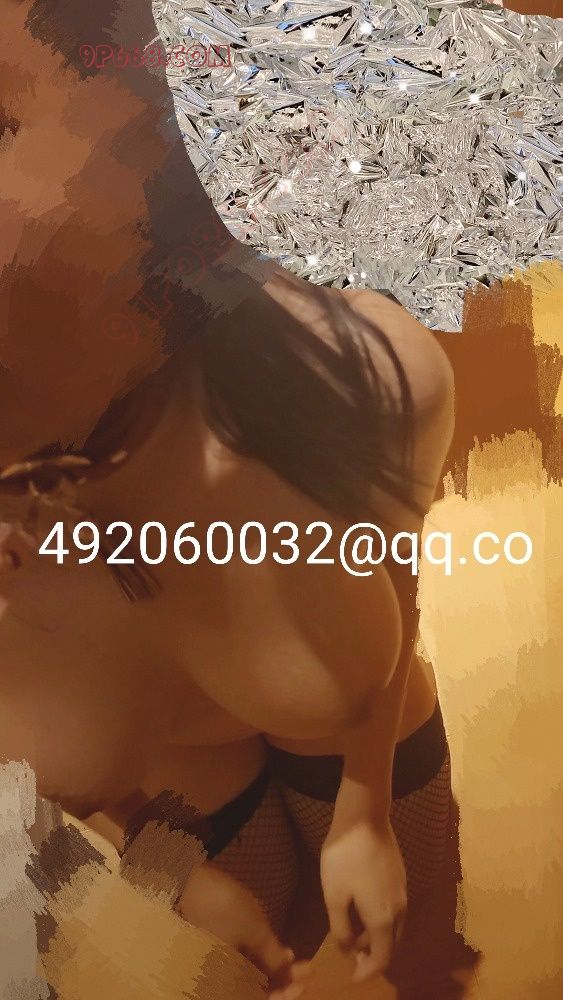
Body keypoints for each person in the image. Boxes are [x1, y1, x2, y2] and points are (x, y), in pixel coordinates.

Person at [0, 1, 455, 995]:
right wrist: (167, 863)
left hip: (360, 742)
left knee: (416, 955)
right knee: (280, 943)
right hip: (190, 798)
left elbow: (392, 571)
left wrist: (365, 811)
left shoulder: (356, 372)